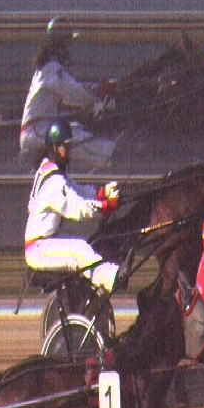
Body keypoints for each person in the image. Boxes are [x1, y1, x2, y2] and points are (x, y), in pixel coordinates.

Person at [24, 119, 123, 292]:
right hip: (39, 248)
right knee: (79, 250)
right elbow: (76, 208)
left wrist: (102, 193)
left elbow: (77, 190)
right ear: (55, 146)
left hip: (44, 244)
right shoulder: (53, 181)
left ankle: (94, 286)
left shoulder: (50, 171)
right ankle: (113, 278)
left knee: (82, 247)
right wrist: (106, 206)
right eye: (66, 146)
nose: (69, 151)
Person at [19, 17, 103, 164]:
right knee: (77, 138)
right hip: (37, 130)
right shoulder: (52, 67)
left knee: (77, 128)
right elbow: (75, 92)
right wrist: (101, 91)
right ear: (60, 46)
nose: (69, 51)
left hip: (41, 128)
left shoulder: (48, 67)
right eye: (67, 45)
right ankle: (112, 157)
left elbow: (69, 97)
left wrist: (94, 98)